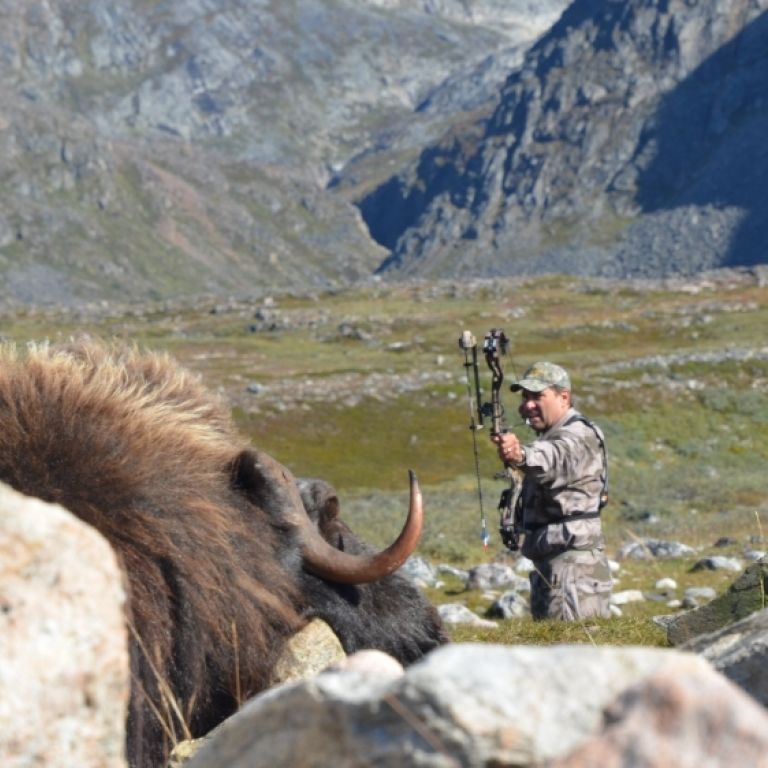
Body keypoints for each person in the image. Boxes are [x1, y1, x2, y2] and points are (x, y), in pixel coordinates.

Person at [492, 361, 612, 620]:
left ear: (564, 397)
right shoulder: (551, 436)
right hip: (556, 570)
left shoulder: (579, 436)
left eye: (538, 396)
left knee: (573, 655)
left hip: (573, 576)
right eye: (525, 397)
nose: (528, 405)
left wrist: (520, 453)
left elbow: (554, 457)